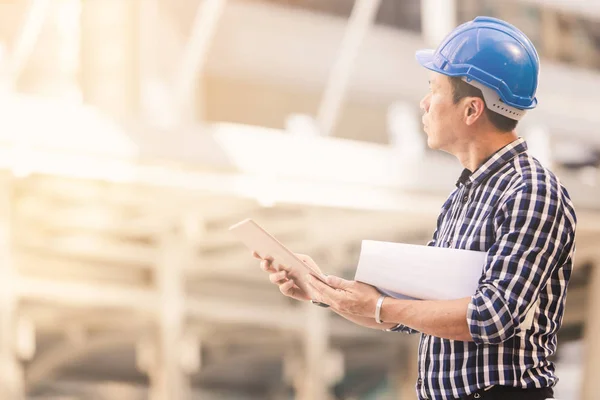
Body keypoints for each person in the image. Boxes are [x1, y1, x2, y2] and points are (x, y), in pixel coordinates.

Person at [253, 16, 576, 400]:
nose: (424, 103)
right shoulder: (462, 199)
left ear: (471, 110)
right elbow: (412, 310)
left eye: (434, 89)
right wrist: (321, 289)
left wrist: (382, 306)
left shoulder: (532, 191)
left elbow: (492, 316)